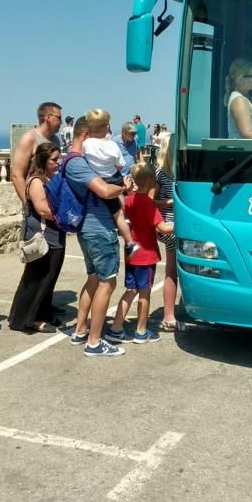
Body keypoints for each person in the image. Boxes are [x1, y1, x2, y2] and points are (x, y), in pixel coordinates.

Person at [65, 116, 129, 357]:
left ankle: (81, 330)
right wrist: (124, 186)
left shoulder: (79, 162)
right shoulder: (78, 164)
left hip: (87, 229)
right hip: (98, 229)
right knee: (107, 282)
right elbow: (105, 190)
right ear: (85, 135)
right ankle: (94, 342)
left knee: (93, 279)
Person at [104, 163, 175, 344]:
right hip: (146, 256)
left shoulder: (129, 200)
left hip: (132, 254)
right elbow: (164, 228)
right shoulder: (149, 205)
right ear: (151, 181)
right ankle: (141, 331)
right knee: (145, 293)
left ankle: (116, 327)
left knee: (131, 290)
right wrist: (178, 223)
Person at [7, 142, 68, 332]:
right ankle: (27, 319)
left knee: (48, 280)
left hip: (54, 236)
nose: (58, 163)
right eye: (54, 160)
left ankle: (42, 314)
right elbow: (43, 209)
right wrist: (65, 213)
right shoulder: (36, 181)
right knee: (36, 280)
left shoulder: (49, 179)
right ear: (43, 160)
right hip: (44, 237)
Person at [81, 109, 138, 256]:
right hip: (113, 179)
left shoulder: (86, 143)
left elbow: (83, 158)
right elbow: (120, 165)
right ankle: (130, 242)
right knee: (118, 214)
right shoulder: (113, 145)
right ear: (107, 126)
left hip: (96, 180)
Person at [152, 132, 180, 331]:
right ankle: (169, 315)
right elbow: (150, 201)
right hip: (170, 225)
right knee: (171, 270)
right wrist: (171, 202)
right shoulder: (160, 173)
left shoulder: (180, 171)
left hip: (180, 224)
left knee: (181, 269)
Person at [10, 102, 64, 203]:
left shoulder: (55, 140)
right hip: (37, 202)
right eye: (59, 118)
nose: (61, 122)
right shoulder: (30, 138)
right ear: (48, 117)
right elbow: (17, 176)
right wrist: (28, 205)